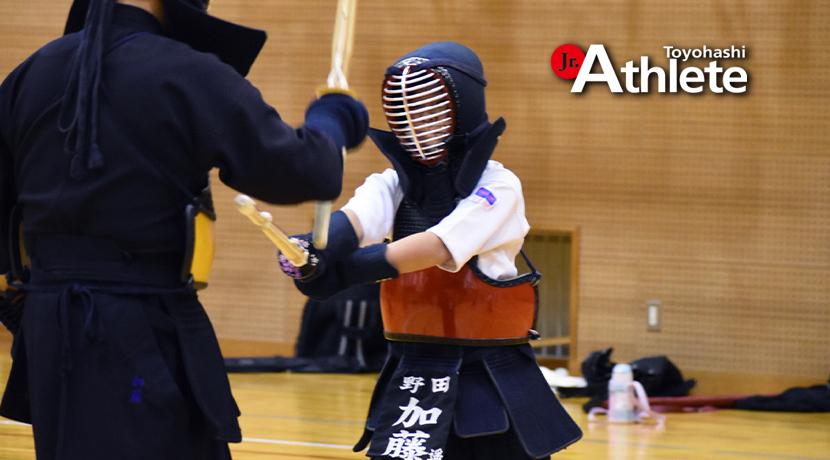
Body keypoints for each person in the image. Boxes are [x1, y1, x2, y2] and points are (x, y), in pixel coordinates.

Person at [0, 0, 369, 458]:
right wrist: (333, 119)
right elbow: (307, 170)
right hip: (139, 332)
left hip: (50, 331)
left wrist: (28, 308)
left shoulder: (31, 72)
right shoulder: (186, 71)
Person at [279, 42, 582, 459]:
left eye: (429, 111)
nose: (417, 126)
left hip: (487, 370)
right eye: (408, 115)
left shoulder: (499, 185)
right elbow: (355, 221)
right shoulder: (392, 183)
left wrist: (346, 272)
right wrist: (312, 249)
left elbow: (439, 245)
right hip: (413, 367)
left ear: (463, 108)